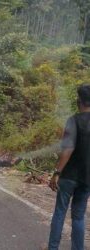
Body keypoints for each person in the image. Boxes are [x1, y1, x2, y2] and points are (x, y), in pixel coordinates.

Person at [48, 84, 90, 250]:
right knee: (79, 217)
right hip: (87, 178)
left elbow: (68, 149)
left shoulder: (73, 120)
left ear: (79, 101)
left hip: (69, 176)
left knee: (60, 212)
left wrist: (56, 172)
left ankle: (53, 247)